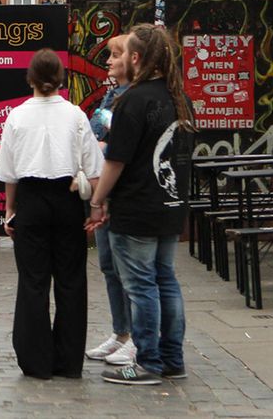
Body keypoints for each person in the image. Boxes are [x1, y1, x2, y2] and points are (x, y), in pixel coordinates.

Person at [86, 24, 194, 386]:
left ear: (136, 58)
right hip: (171, 202)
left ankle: (147, 362)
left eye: (125, 52)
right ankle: (171, 358)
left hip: (137, 206)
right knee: (166, 280)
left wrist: (98, 201)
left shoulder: (134, 100)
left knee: (142, 285)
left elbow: (115, 161)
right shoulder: (178, 97)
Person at [0, 49, 103, 379]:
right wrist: (97, 209)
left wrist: (9, 210)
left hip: (30, 199)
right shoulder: (75, 116)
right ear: (60, 78)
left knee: (33, 282)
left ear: (30, 78)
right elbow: (93, 169)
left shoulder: (16, 116)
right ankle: (69, 362)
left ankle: (35, 360)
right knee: (71, 282)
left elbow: (9, 172)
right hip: (67, 199)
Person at [84, 35, 136, 367]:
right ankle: (120, 332)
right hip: (105, 188)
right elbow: (93, 133)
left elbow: (107, 141)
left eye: (115, 56)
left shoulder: (133, 98)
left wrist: (100, 145)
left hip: (121, 192)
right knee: (108, 264)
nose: (108, 62)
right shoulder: (111, 94)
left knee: (128, 268)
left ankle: (134, 337)